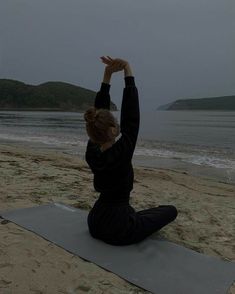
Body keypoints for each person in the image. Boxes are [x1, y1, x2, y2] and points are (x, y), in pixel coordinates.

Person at [84, 56, 178, 246]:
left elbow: (99, 115)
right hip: (119, 228)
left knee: (142, 213)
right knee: (170, 211)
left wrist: (107, 75)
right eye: (115, 123)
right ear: (112, 130)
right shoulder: (121, 153)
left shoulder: (92, 152)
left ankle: (134, 216)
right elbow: (131, 118)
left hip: (95, 221)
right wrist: (127, 69)